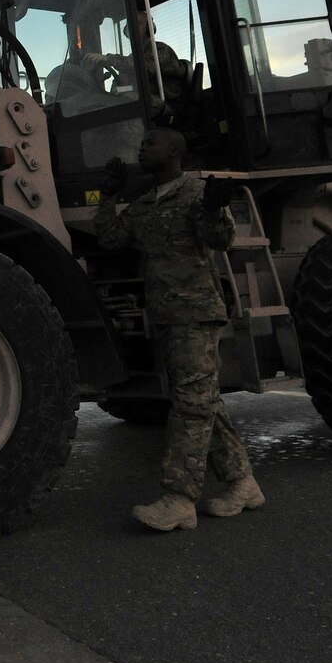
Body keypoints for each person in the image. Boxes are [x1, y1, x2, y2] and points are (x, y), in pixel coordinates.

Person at [93, 127, 263, 532]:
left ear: (173, 151)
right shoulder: (145, 203)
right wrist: (109, 195)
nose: (142, 146)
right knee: (202, 401)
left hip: (197, 313)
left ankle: (180, 499)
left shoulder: (197, 193)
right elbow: (111, 239)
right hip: (168, 316)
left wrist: (214, 209)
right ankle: (243, 484)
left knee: (190, 405)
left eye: (151, 142)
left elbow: (220, 240)